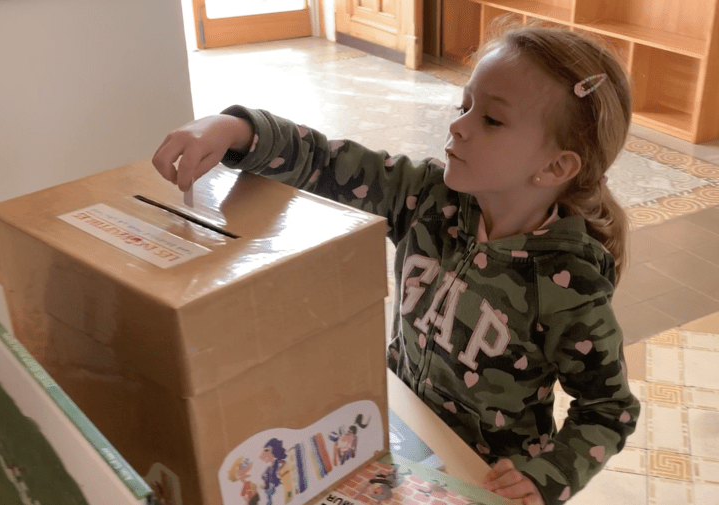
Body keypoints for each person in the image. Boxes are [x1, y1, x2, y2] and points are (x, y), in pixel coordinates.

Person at [152, 22, 640, 505]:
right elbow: (327, 163)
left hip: (485, 480)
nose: (458, 125)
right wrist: (237, 129)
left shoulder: (568, 284)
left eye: (491, 120)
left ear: (555, 167)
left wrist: (550, 474)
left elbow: (609, 409)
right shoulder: (427, 196)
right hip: (403, 437)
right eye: (464, 106)